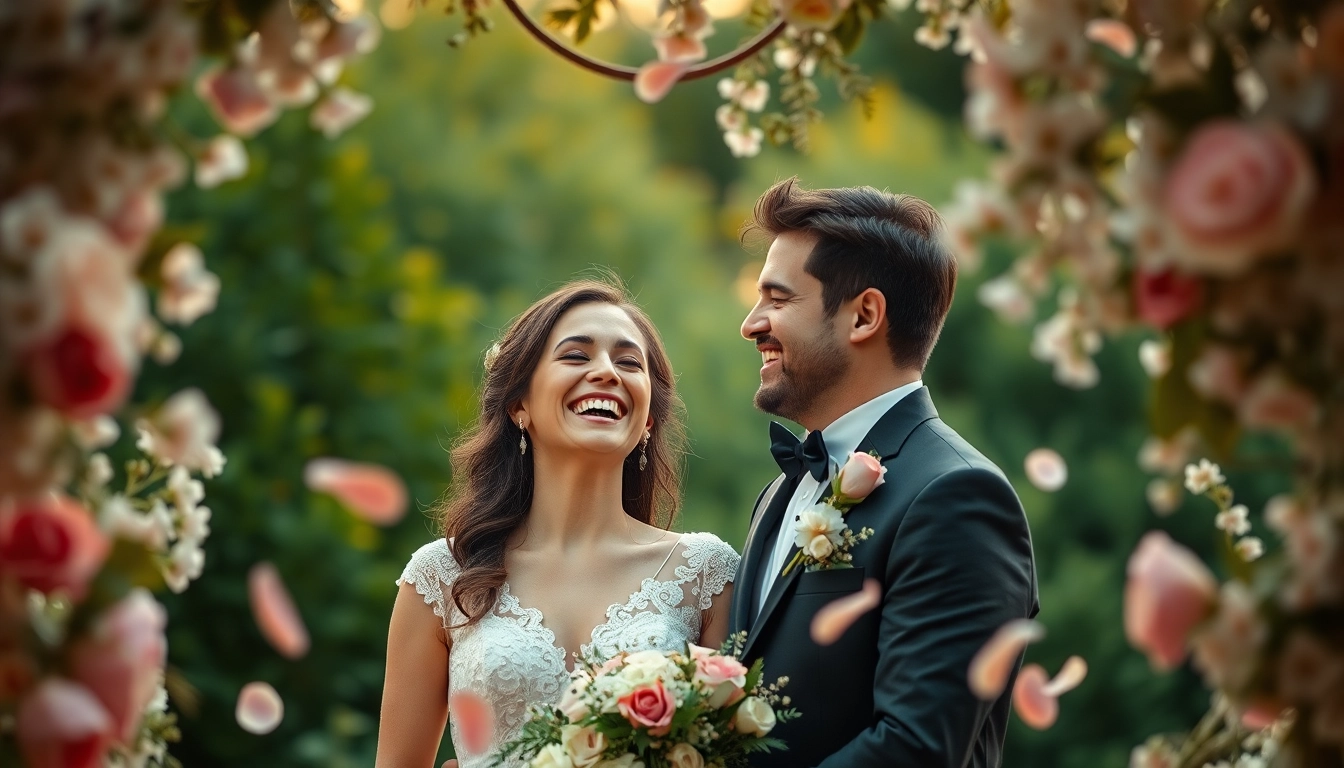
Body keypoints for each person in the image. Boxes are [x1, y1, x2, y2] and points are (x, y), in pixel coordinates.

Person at [730, 178, 1039, 768]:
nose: (751, 323)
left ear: (865, 315)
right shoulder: (780, 492)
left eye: (777, 297)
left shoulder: (956, 495)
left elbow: (917, 748)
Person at [377, 278, 739, 768]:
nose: (607, 372)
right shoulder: (441, 576)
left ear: (649, 417)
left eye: (630, 363)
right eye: (576, 355)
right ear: (518, 405)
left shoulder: (707, 573)